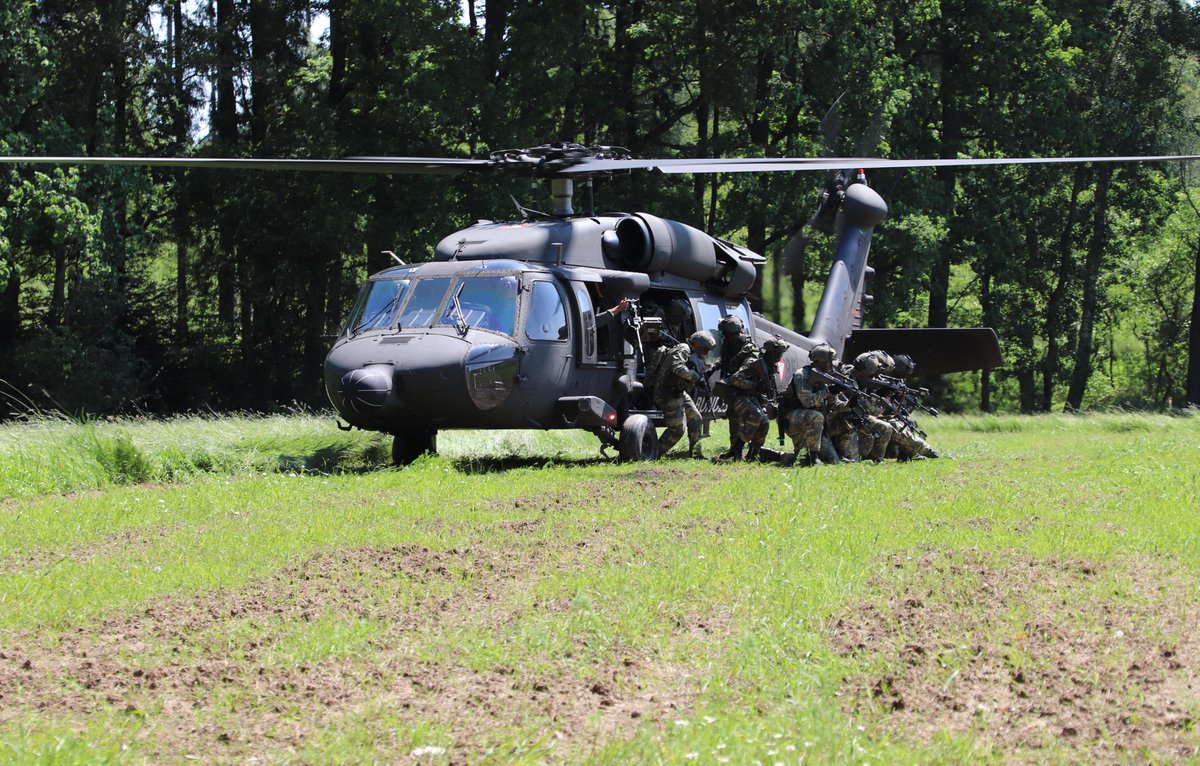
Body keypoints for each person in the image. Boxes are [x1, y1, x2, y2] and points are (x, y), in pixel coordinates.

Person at [643, 328, 711, 458]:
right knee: (678, 429)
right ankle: (654, 454)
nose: (706, 353)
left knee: (696, 418)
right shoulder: (683, 349)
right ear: (696, 344)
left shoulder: (690, 352)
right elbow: (677, 367)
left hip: (678, 391)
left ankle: (696, 454)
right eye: (704, 349)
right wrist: (696, 377)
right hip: (667, 393)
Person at [726, 336, 788, 461]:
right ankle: (735, 450)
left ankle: (753, 454)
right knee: (756, 415)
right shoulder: (753, 363)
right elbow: (734, 379)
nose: (778, 357)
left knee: (764, 422)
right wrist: (754, 385)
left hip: (751, 398)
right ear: (769, 351)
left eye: (780, 354)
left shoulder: (770, 366)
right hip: (738, 396)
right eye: (777, 353)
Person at [778, 343, 839, 466]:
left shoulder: (824, 377)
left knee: (834, 461)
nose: (830, 365)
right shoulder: (803, 375)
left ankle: (781, 456)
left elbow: (835, 404)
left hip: (810, 423)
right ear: (819, 361)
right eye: (828, 362)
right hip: (792, 419)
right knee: (816, 416)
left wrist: (850, 402)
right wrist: (827, 391)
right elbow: (807, 402)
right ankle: (812, 457)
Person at [714, 315, 760, 461]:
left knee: (753, 420)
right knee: (734, 419)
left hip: (746, 387)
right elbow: (724, 361)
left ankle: (752, 452)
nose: (728, 336)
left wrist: (732, 380)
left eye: (729, 334)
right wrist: (713, 369)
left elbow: (746, 369)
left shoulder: (748, 347)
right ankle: (735, 451)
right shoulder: (728, 344)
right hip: (733, 388)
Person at [881, 353, 940, 460]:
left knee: (909, 421)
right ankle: (928, 452)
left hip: (888, 413)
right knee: (899, 425)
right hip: (879, 415)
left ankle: (908, 455)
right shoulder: (881, 380)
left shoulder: (897, 381)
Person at [849, 352, 897, 462]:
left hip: (858, 417)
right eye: (870, 375)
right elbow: (867, 407)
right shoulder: (851, 379)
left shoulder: (859, 378)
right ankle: (873, 458)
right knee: (885, 427)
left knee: (886, 427)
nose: (873, 377)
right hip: (847, 418)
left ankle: (876, 458)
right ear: (862, 373)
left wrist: (881, 392)